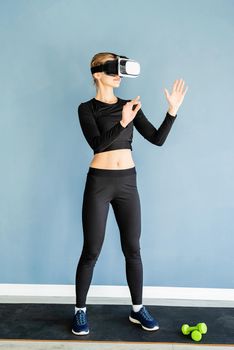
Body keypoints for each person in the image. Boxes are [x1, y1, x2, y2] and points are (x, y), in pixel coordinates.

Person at [72, 52, 188, 335]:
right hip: (99, 183)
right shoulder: (86, 109)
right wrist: (123, 123)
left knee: (133, 249)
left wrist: (172, 111)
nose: (118, 74)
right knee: (91, 250)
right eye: (113, 69)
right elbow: (98, 145)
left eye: (120, 69)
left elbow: (157, 139)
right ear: (97, 73)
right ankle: (79, 312)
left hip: (127, 182)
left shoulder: (130, 105)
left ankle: (137, 310)